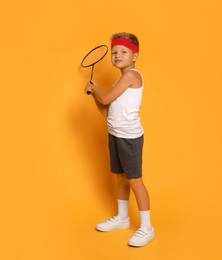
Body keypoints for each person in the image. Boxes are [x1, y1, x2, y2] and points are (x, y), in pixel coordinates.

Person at [84, 32, 154, 247]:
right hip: (115, 134)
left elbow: (105, 97)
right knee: (121, 178)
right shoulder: (119, 79)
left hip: (129, 138)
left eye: (123, 52)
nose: (117, 55)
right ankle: (123, 219)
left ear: (135, 56)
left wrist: (97, 90)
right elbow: (105, 110)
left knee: (135, 181)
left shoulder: (131, 76)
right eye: (114, 52)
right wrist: (92, 94)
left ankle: (147, 228)